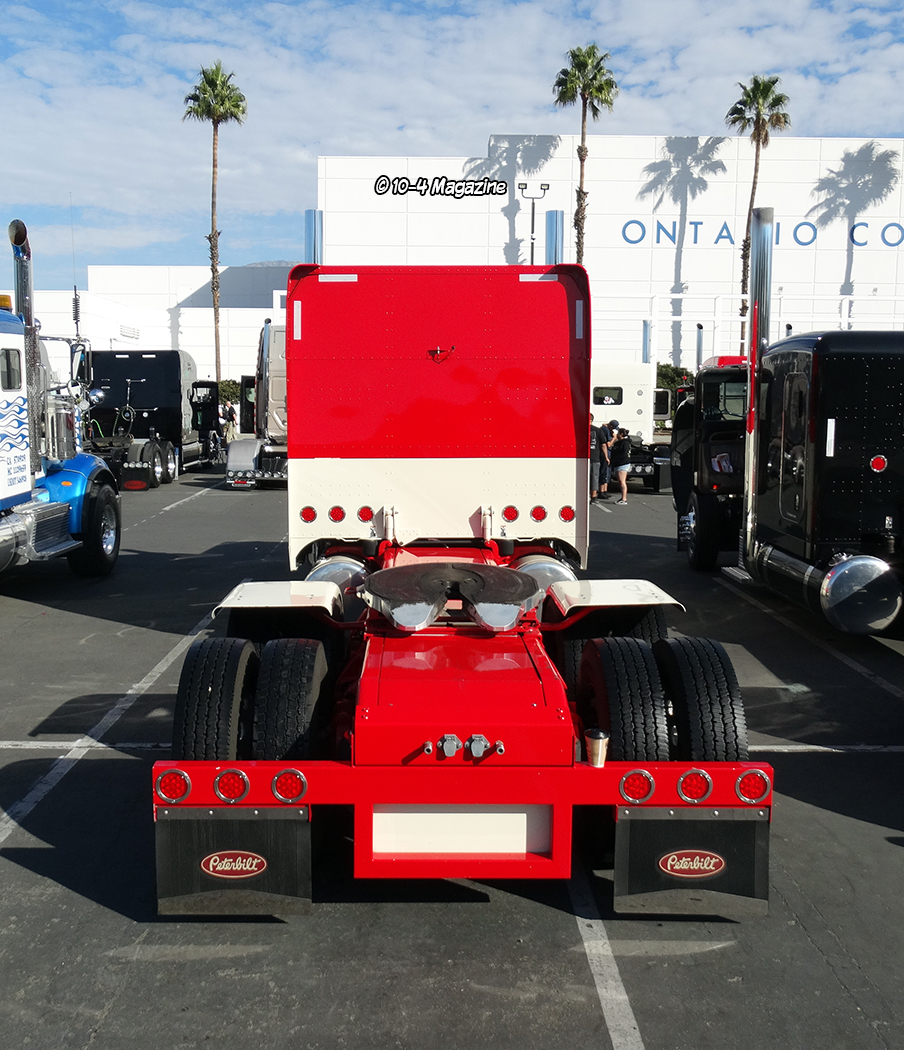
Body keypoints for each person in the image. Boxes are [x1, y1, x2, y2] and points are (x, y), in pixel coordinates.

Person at [609, 427, 632, 504]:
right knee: (620, 481)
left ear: (621, 434)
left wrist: (616, 458)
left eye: (618, 433)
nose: (617, 435)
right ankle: (623, 498)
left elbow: (623, 453)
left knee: (622, 481)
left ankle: (624, 499)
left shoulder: (625, 443)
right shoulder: (620, 442)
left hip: (622, 463)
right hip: (619, 463)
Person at [589, 414, 602, 501]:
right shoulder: (598, 430)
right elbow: (604, 444)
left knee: (582, 477)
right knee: (594, 477)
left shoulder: (580, 429)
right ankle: (593, 497)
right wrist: (606, 456)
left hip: (582, 458)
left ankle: (583, 495)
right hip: (595, 457)